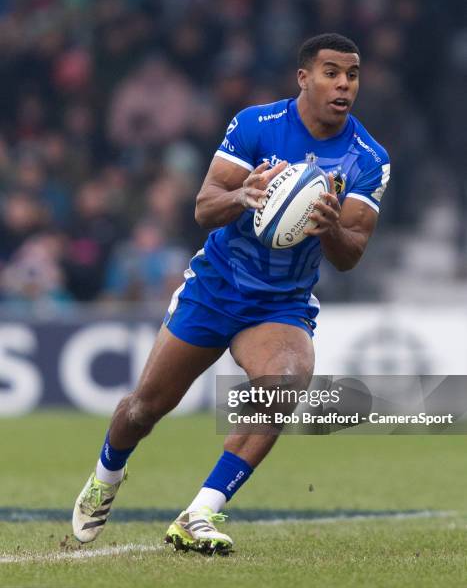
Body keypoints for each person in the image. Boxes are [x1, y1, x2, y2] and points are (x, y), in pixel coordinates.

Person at [72, 33, 390, 553]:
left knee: (285, 383)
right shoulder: (256, 125)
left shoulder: (368, 157)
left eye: (352, 75)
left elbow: (350, 254)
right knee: (143, 411)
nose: (343, 84)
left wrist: (330, 227)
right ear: (303, 77)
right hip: (217, 286)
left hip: (280, 302)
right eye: (331, 72)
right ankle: (106, 477)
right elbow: (203, 206)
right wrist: (244, 195)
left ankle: (199, 513)